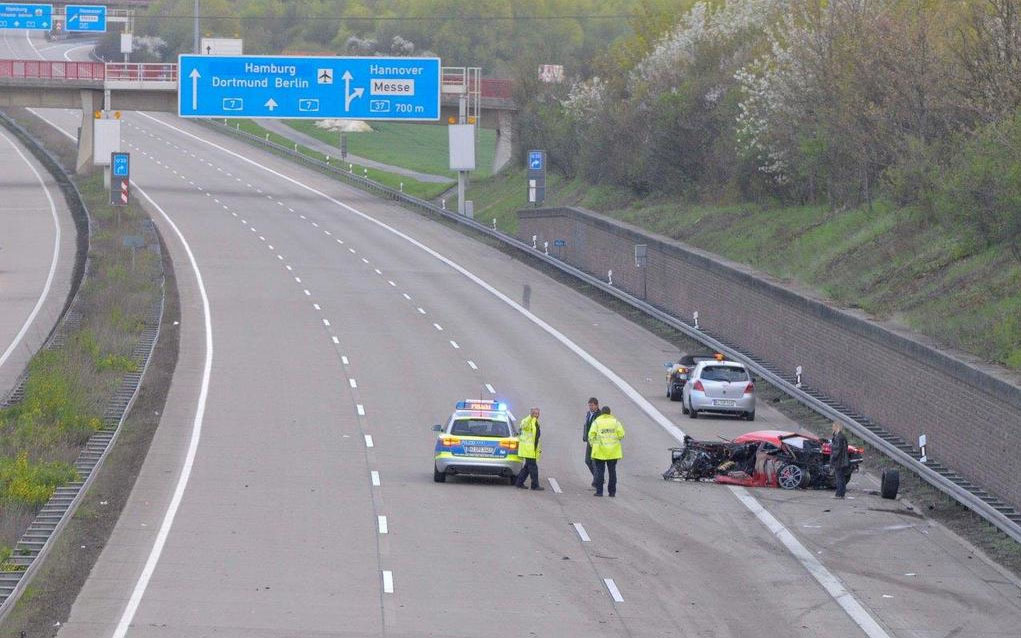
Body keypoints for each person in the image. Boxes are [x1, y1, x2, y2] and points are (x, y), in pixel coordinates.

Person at [588, 406, 625, 497]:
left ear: (601, 413)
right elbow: (621, 434)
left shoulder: (597, 422)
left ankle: (599, 491)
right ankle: (612, 492)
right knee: (612, 472)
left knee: (600, 471)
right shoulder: (615, 422)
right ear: (610, 413)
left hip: (600, 451)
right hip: (613, 452)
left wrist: (593, 445)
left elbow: (591, 435)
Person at [515, 407, 544, 491]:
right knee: (533, 467)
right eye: (535, 413)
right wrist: (530, 417)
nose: (537, 415)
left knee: (527, 468)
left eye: (538, 413)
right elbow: (523, 426)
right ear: (531, 413)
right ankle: (535, 485)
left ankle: (519, 483)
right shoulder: (526, 420)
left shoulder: (535, 422)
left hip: (532, 449)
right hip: (528, 449)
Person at [830, 422, 850, 499]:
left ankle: (839, 494)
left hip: (839, 461)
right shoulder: (842, 436)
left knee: (839, 478)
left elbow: (836, 450)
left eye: (833, 427)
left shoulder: (839, 437)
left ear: (837, 427)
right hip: (843, 460)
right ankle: (841, 494)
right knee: (841, 478)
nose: (832, 428)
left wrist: (833, 460)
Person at [583, 397, 600, 482]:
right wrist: (585, 436)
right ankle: (598, 478)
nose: (590, 407)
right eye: (589, 405)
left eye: (592, 405)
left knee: (594, 463)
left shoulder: (599, 415)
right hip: (589, 441)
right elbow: (586, 425)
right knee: (587, 461)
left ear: (597, 405)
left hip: (596, 442)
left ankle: (596, 481)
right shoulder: (588, 414)